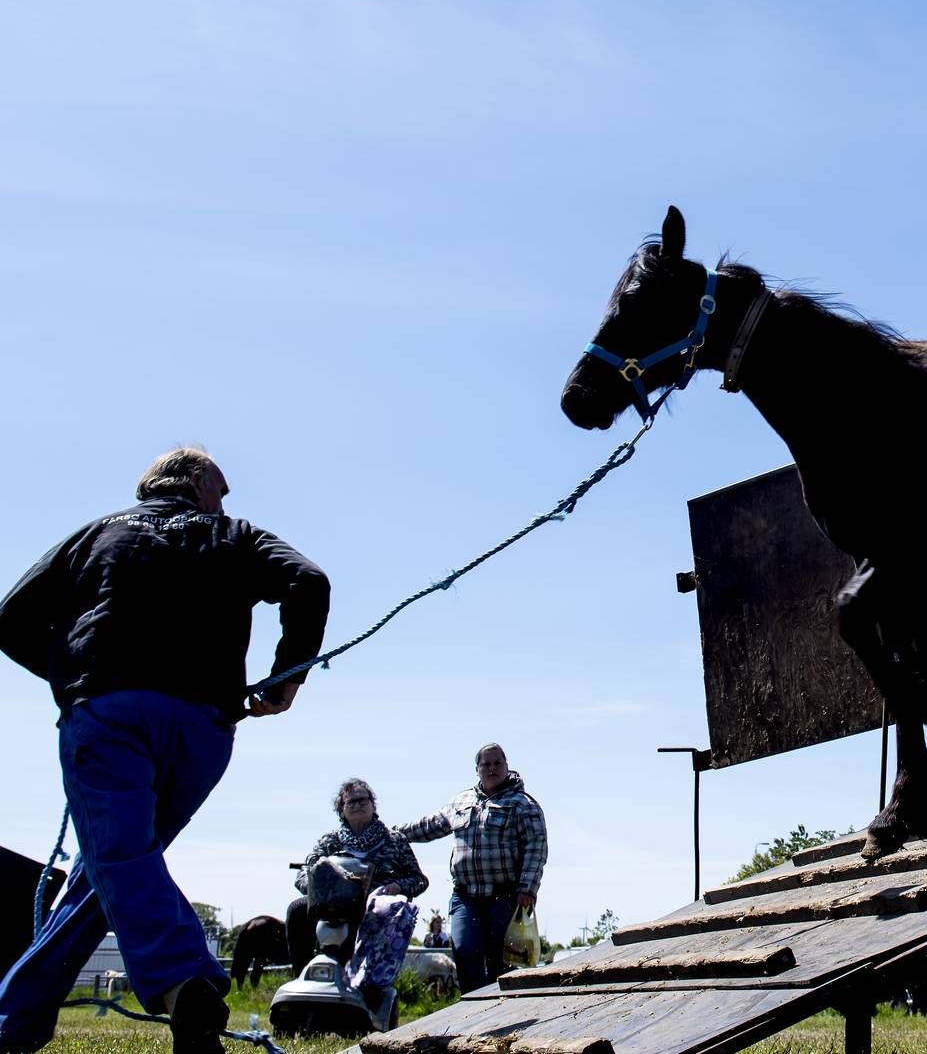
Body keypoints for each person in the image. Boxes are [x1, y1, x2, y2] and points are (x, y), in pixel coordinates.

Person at [0, 447, 329, 1054]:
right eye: (222, 491)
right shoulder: (237, 535)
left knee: (120, 860)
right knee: (110, 873)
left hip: (110, 715)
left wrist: (70, 677)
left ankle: (188, 982)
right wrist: (288, 676)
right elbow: (308, 580)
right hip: (204, 728)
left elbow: (10, 617)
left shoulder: (97, 532)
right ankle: (13, 1020)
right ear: (199, 485)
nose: (225, 504)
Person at [396, 743, 548, 992]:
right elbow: (430, 825)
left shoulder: (523, 804)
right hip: (465, 896)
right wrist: (393, 834)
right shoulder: (461, 802)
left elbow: (536, 848)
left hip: (505, 896)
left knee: (501, 962)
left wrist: (528, 889)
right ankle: (470, 1013)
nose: (492, 769)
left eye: (497, 763)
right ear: (476, 769)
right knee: (465, 951)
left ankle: (501, 1016)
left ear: (507, 767)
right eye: (485, 764)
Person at [285, 779, 429, 977]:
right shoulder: (331, 840)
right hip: (333, 906)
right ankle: (302, 975)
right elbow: (306, 871)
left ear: (373, 804)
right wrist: (315, 886)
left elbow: (419, 879)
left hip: (375, 908)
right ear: (341, 809)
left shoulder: (394, 839)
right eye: (351, 802)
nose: (358, 805)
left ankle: (366, 983)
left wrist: (398, 886)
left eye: (363, 800)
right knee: (297, 909)